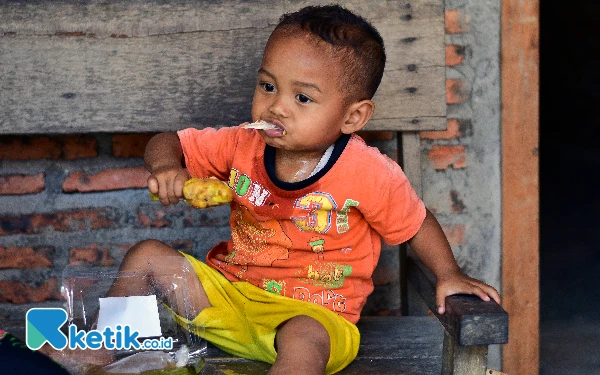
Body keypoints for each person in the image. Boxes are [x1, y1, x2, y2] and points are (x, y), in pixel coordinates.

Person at [108, 4, 501, 375]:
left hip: (318, 317)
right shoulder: (241, 143)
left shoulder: (367, 171)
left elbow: (415, 224)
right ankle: (99, 346)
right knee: (146, 256)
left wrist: (449, 273)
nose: (276, 107)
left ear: (352, 116)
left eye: (302, 97)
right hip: (231, 299)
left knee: (303, 337)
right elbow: (169, 141)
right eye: (267, 86)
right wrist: (165, 166)